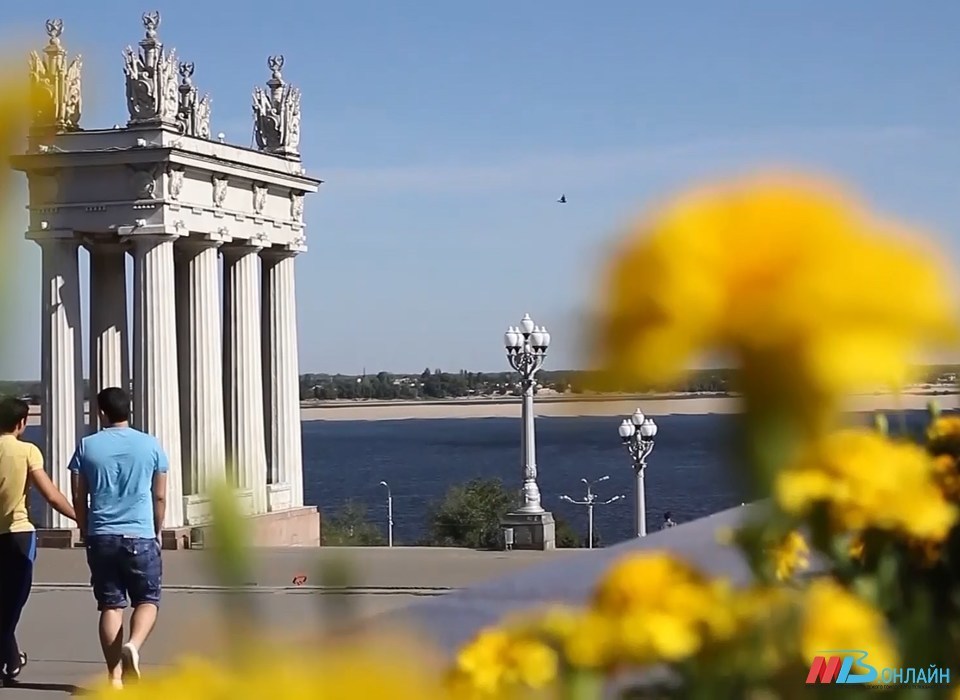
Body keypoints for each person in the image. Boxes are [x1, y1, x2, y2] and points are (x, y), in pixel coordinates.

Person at [69, 387, 167, 689]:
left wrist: (85, 529)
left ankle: (113, 676)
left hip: (102, 534)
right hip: (140, 533)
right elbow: (159, 495)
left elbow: (78, 494)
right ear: (130, 410)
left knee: (110, 605)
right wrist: (157, 528)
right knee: (147, 599)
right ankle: (134, 646)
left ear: (101, 412)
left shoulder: (87, 446)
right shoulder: (150, 445)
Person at [0, 397, 75, 685]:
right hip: (18, 533)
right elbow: (52, 495)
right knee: (13, 601)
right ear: (21, 423)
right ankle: (8, 657)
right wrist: (81, 518)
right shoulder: (28, 451)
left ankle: (12, 658)